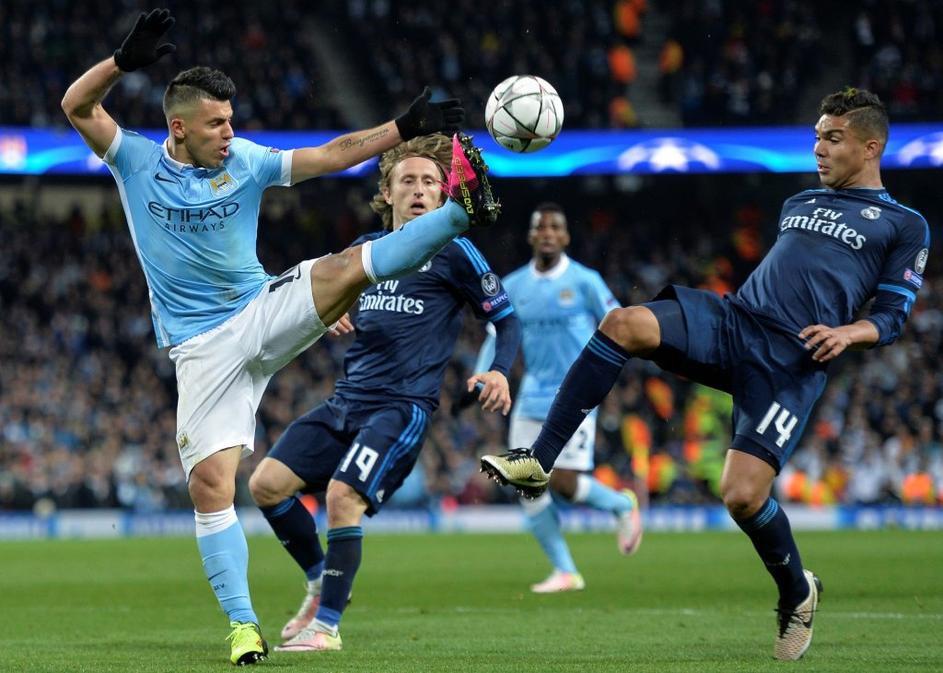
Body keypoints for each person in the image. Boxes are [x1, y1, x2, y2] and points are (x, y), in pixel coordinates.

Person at [61, 9, 498, 666]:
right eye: (217, 124)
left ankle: (458, 217)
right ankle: (244, 625)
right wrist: (121, 64)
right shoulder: (136, 161)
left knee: (346, 267)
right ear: (179, 127)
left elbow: (329, 156)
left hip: (262, 308)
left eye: (231, 120)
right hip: (200, 350)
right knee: (214, 486)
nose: (230, 133)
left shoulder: (248, 161)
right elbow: (76, 105)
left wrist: (402, 128)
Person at [482, 87, 930, 660]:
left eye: (833, 139)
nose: (819, 148)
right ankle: (540, 460)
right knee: (622, 323)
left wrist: (848, 333)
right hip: (736, 321)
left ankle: (797, 591)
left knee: (741, 497)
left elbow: (892, 315)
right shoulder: (799, 201)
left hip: (791, 361)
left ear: (871, 147)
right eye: (817, 136)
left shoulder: (904, 225)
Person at [247, 132, 521, 652]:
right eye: (407, 181)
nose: (418, 190)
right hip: (346, 401)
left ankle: (326, 628)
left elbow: (506, 320)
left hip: (401, 407)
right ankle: (320, 582)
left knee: (341, 496)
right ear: (387, 192)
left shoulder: (455, 251)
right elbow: (316, 296)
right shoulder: (364, 250)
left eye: (429, 182)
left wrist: (500, 370)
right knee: (266, 484)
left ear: (442, 195)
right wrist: (325, 314)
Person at [475, 203, 641, 594]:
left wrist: (614, 377)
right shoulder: (514, 285)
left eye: (554, 227)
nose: (547, 233)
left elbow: (619, 325)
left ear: (565, 236)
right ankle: (565, 571)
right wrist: (483, 378)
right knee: (527, 483)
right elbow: (496, 336)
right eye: (540, 227)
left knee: (564, 483)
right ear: (531, 236)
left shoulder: (585, 281)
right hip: (531, 396)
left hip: (576, 394)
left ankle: (621, 505)